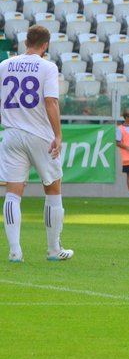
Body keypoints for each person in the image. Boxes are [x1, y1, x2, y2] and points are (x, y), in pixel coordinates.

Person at [0, 25, 73, 263]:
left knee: (13, 193)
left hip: (11, 134)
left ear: (25, 42)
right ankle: (53, 250)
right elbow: (50, 102)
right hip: (40, 134)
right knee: (52, 189)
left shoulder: (4, 65)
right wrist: (58, 135)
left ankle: (15, 251)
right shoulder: (47, 67)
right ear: (45, 45)